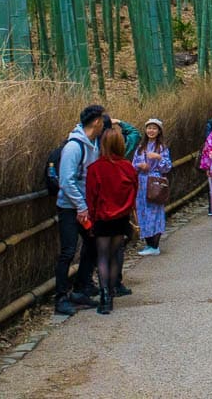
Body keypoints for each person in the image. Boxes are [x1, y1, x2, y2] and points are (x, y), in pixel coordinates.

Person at [54, 104, 106, 315]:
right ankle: (60, 298)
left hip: (84, 208)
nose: (104, 124)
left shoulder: (93, 144)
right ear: (96, 121)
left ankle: (80, 289)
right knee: (67, 251)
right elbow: (66, 181)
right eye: (102, 120)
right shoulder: (74, 147)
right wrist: (81, 206)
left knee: (93, 243)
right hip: (69, 207)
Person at [85, 125, 137, 314]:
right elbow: (134, 191)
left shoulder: (95, 169)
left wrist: (91, 218)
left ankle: (105, 295)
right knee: (115, 255)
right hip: (121, 217)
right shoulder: (128, 167)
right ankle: (112, 290)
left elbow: (91, 197)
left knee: (102, 256)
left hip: (102, 217)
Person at [134, 119, 171, 256]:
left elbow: (167, 167)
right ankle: (148, 244)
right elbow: (133, 164)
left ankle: (154, 245)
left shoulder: (162, 147)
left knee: (155, 212)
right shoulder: (140, 147)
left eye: (154, 128)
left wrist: (159, 157)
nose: (151, 131)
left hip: (155, 181)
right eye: (149, 128)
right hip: (142, 182)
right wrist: (139, 166)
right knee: (143, 211)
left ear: (159, 131)